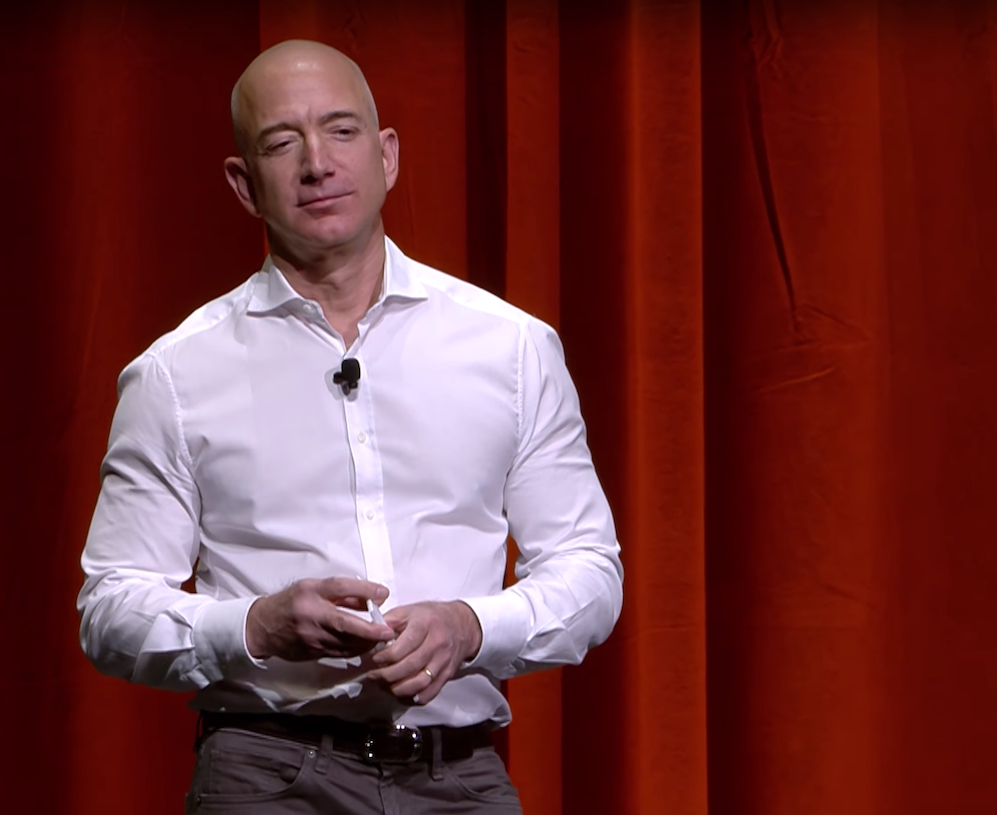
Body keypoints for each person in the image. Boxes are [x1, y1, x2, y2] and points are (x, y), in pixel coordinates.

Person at [76, 39, 623, 814]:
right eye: (281, 143)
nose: (317, 163)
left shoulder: (511, 347)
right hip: (266, 772)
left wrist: (471, 626)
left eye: (341, 130)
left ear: (387, 155)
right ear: (244, 184)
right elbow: (110, 609)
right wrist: (255, 626)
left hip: (457, 775)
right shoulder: (176, 372)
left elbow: (589, 572)